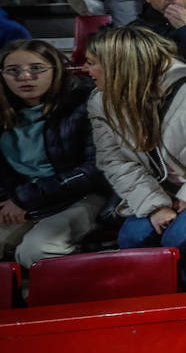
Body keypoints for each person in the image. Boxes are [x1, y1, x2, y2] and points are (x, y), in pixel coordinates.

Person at [86, 26, 186, 255]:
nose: (86, 69)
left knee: (180, 237)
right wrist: (156, 206)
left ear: (118, 65)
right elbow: (115, 162)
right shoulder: (100, 102)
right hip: (160, 191)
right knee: (132, 238)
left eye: (93, 62)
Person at [0, 40, 108, 267]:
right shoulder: (4, 111)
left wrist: (24, 199)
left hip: (83, 196)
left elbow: (93, 170)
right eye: (13, 70)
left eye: (36, 68)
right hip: (25, 200)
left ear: (56, 70)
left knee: (36, 250)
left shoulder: (86, 100)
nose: (25, 77)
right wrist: (9, 201)